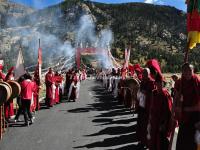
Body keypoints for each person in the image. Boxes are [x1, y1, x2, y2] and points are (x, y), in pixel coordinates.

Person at [175, 63, 200, 150]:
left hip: (195, 118)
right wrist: (176, 109)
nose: (187, 72)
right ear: (182, 72)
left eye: (190, 70)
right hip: (184, 118)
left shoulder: (197, 82)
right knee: (182, 142)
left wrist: (185, 109)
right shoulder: (179, 82)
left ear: (193, 71)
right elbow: (176, 98)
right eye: (185, 70)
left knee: (192, 143)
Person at [147, 74, 172, 150]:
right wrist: (150, 119)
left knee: (160, 141)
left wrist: (164, 124)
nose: (159, 84)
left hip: (162, 121)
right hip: (154, 120)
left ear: (163, 83)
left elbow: (169, 110)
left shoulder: (165, 94)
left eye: (161, 83)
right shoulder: (153, 93)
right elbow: (151, 107)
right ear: (155, 83)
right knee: (153, 139)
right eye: (157, 83)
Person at [136, 68, 156, 149]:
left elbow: (153, 95)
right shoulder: (142, 82)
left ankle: (147, 143)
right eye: (143, 73)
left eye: (145, 73)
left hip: (148, 107)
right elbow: (140, 92)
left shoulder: (152, 83)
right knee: (141, 124)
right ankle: (142, 141)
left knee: (147, 126)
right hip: (141, 105)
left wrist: (146, 93)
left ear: (149, 74)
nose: (143, 75)